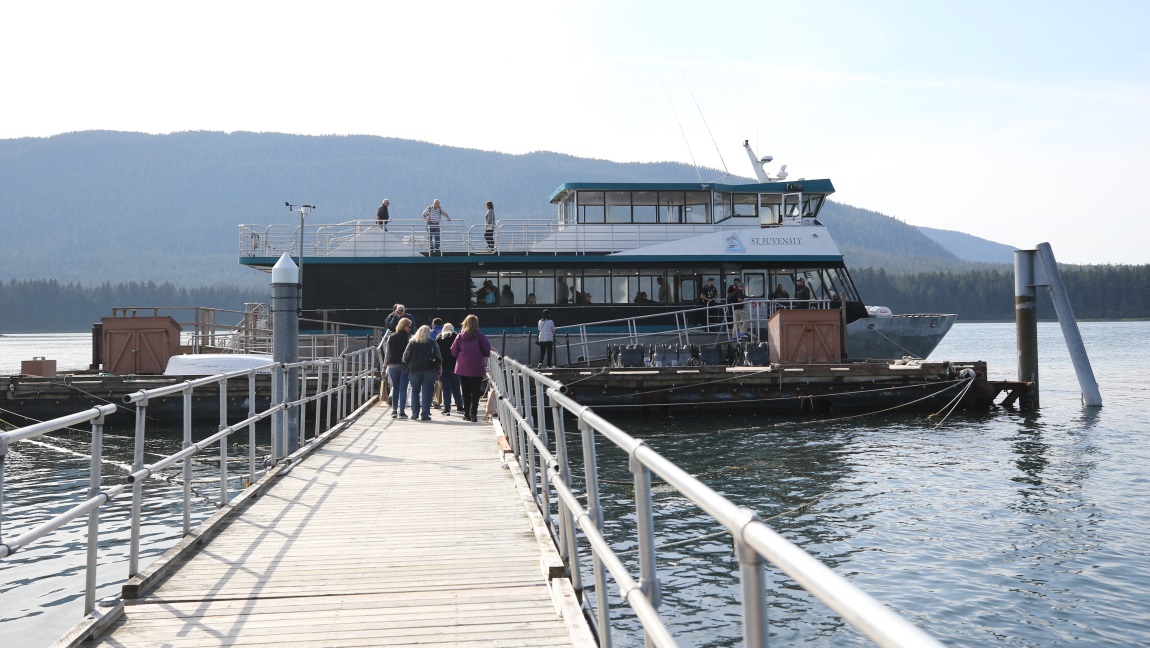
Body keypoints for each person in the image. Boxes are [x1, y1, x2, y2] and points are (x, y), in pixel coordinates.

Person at [451, 313, 492, 422]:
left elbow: (453, 351)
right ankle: (473, 413)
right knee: (475, 391)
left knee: (465, 391)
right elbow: (488, 351)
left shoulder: (460, 336)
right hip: (477, 367)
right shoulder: (480, 336)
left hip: (463, 368)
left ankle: (466, 414)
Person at [402, 324, 443, 422]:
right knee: (427, 392)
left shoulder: (412, 342)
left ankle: (415, 413)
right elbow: (439, 357)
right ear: (428, 333)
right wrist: (440, 369)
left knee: (415, 391)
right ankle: (425, 414)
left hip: (414, 370)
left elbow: (405, 356)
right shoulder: (432, 342)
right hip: (429, 370)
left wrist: (408, 363)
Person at [385, 317, 412, 419]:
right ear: (404, 326)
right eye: (409, 326)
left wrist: (384, 368)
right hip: (403, 366)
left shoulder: (391, 337)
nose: (410, 328)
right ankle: (402, 412)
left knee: (395, 388)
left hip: (392, 366)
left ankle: (394, 411)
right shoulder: (408, 338)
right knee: (403, 389)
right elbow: (409, 353)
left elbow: (387, 353)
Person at [436, 323, 464, 415]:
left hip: (443, 366)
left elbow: (436, 353)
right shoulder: (457, 337)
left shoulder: (439, 338)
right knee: (456, 387)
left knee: (446, 388)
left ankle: (447, 408)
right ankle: (459, 407)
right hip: (456, 366)